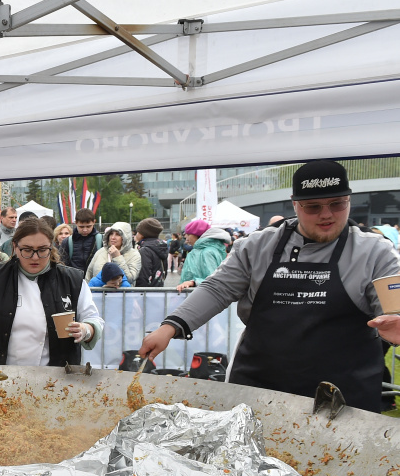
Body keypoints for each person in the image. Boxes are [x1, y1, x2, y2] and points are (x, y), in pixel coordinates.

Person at [140, 159, 399, 412]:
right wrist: (171, 326)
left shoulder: (375, 251)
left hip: (341, 396)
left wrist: (395, 321)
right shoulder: (258, 245)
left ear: (349, 201)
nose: (326, 214)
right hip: (260, 388)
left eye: (337, 204)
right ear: (295, 205)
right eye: (313, 207)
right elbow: (217, 289)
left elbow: (392, 307)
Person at [0, 217, 102, 367]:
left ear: (51, 247)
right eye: (27, 250)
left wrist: (85, 330)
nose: (35, 257)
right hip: (2, 375)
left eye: (42, 250)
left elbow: (92, 318)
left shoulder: (72, 280)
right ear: (15, 247)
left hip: (57, 378)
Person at [176, 219, 231, 291]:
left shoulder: (207, 252)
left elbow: (214, 281)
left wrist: (193, 282)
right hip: (194, 295)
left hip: (200, 297)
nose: (186, 238)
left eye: (189, 234)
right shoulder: (200, 250)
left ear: (197, 235)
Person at [134, 218, 168, 287]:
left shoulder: (145, 250)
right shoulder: (160, 247)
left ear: (142, 234)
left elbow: (143, 276)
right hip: (157, 290)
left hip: (146, 293)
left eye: (138, 231)